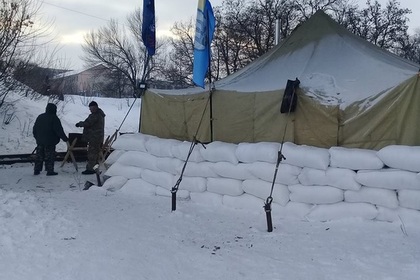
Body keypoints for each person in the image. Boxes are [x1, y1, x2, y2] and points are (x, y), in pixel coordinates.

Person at [33, 103, 69, 176]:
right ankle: (50, 171)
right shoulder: (54, 118)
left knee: (39, 156)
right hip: (50, 141)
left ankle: (37, 170)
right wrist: (65, 139)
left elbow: (34, 129)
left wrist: (37, 138)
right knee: (49, 156)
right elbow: (59, 130)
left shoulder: (40, 117)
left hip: (40, 141)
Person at [75, 101, 105, 174]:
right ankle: (95, 169)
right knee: (96, 154)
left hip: (94, 138)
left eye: (91, 108)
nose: (90, 110)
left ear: (95, 107)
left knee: (92, 154)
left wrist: (79, 124)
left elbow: (88, 123)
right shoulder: (100, 114)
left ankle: (90, 169)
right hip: (98, 137)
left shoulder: (95, 115)